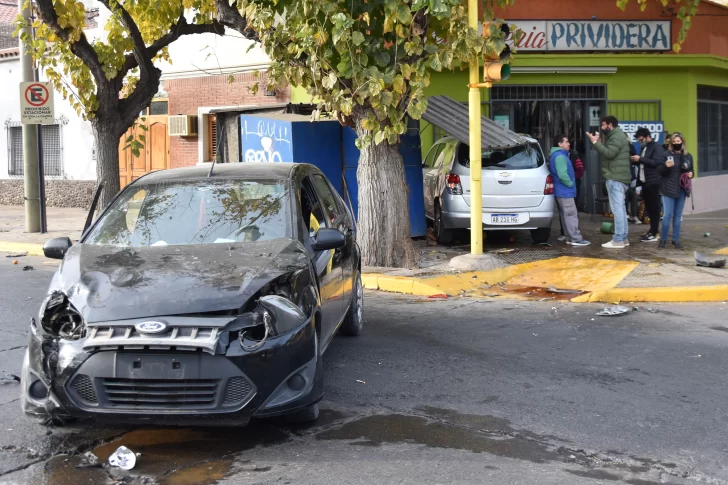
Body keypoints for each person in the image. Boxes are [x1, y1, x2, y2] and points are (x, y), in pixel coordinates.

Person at [586, 116, 632, 249]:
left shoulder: (616, 136)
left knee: (618, 210)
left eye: (604, 125)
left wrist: (595, 143)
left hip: (615, 178)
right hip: (620, 178)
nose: (602, 128)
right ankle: (623, 238)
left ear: (610, 125)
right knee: (621, 209)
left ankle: (618, 239)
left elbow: (610, 153)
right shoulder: (617, 135)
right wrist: (600, 142)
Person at [550, 135, 590, 246]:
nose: (569, 144)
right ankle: (576, 238)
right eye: (566, 142)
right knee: (571, 215)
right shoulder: (560, 157)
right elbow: (562, 175)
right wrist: (570, 184)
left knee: (566, 215)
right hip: (565, 191)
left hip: (562, 191)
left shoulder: (558, 155)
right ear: (559, 144)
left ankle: (569, 237)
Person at [657, 133, 694, 249]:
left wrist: (691, 174)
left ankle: (675, 240)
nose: (677, 143)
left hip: (682, 189)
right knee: (667, 215)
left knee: (678, 216)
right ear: (671, 143)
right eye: (675, 141)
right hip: (668, 188)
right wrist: (665, 166)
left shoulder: (688, 156)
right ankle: (663, 240)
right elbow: (659, 171)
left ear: (683, 142)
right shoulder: (665, 154)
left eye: (679, 141)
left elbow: (691, 169)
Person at [631, 127, 666, 242]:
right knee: (649, 209)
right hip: (644, 182)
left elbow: (657, 162)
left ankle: (655, 232)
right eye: (639, 140)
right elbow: (642, 167)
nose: (640, 142)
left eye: (641, 139)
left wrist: (640, 159)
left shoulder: (657, 147)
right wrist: (638, 184)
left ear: (647, 136)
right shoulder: (644, 148)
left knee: (654, 209)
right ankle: (652, 231)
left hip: (653, 182)